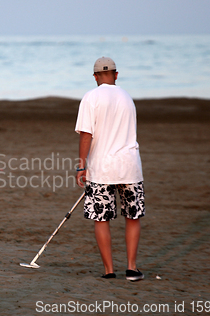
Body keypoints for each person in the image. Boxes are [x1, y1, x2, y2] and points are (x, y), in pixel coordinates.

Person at [75, 57, 145, 281]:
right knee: (132, 217)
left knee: (101, 219)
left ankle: (109, 271)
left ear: (95, 76)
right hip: (130, 166)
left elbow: (87, 134)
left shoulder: (90, 97)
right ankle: (132, 268)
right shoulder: (127, 97)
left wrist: (81, 165)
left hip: (102, 167)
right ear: (116, 74)